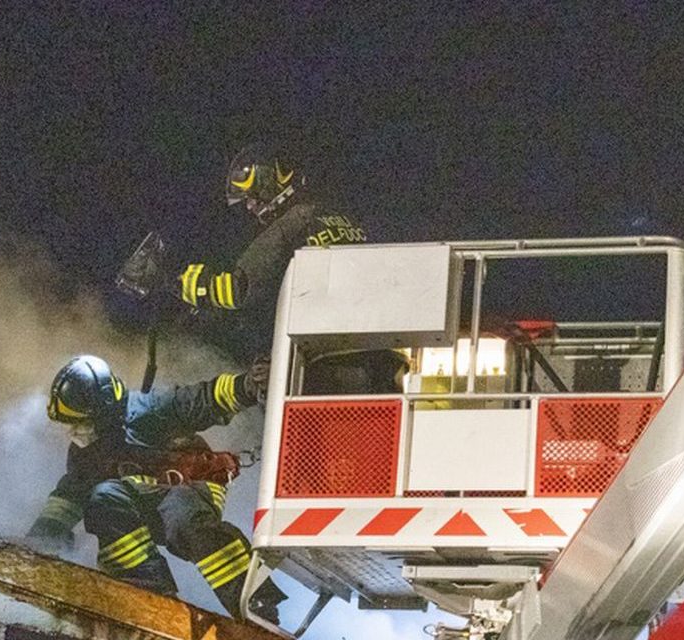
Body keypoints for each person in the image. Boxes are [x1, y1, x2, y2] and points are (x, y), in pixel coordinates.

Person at [25, 355, 285, 622]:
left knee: (182, 519)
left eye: (81, 423)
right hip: (142, 501)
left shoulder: (147, 411)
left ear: (103, 411)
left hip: (191, 489)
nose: (74, 431)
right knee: (103, 498)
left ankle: (255, 603)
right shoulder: (85, 454)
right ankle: (144, 589)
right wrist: (38, 542)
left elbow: (200, 400)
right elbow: (68, 497)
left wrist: (248, 386)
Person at [174, 143, 405, 391]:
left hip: (327, 369)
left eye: (252, 197)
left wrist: (180, 283)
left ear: (271, 182)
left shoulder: (293, 224)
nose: (251, 207)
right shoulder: (343, 219)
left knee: (265, 382)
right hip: (380, 361)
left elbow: (238, 288)